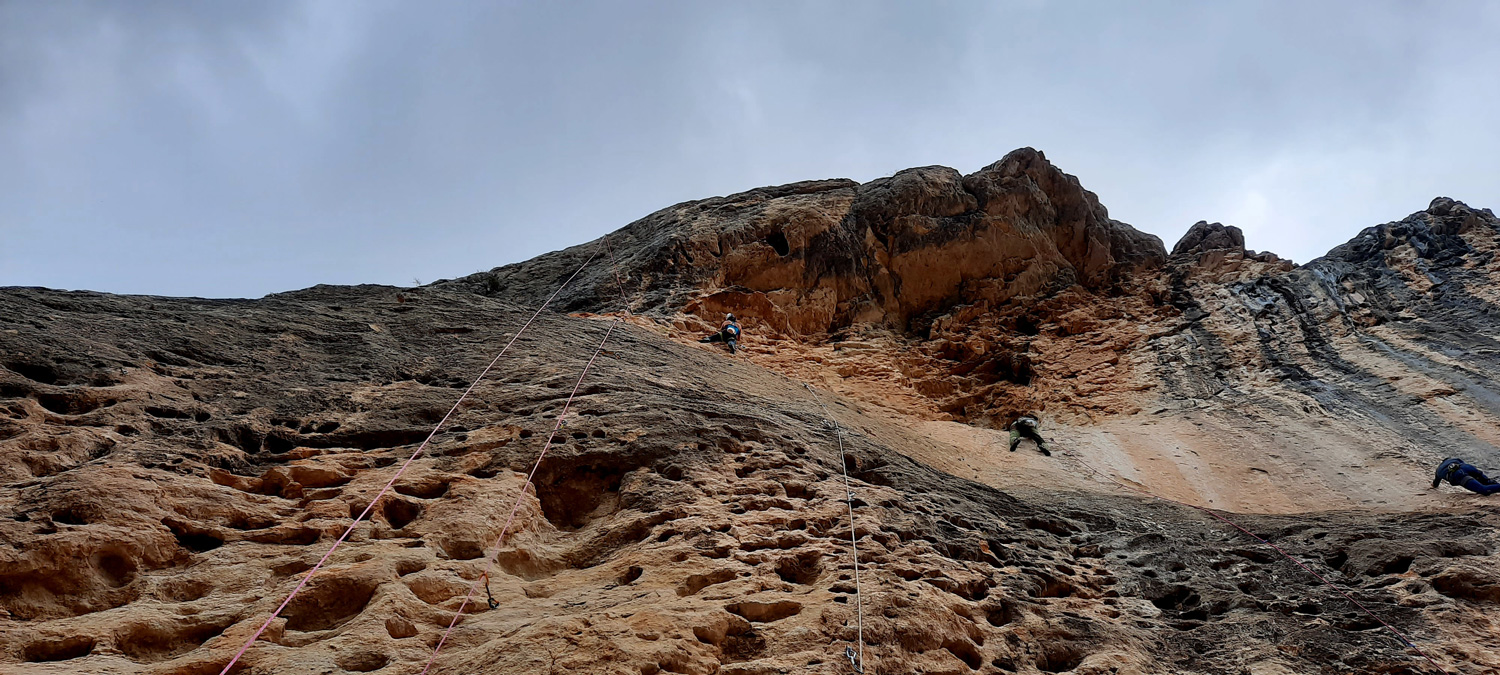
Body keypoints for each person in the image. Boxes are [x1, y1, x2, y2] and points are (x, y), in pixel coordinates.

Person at [1432, 457, 1500, 496]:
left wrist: (1433, 486)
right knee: (1487, 482)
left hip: (1458, 474)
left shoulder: (1438, 470)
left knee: (1483, 490)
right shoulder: (1454, 459)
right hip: (1467, 467)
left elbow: (1435, 484)